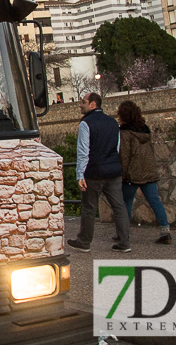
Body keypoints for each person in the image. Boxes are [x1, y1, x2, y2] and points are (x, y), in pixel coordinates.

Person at [67, 93, 131, 253]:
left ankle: (84, 241)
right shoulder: (113, 123)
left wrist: (80, 174)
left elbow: (83, 151)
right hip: (113, 170)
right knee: (119, 206)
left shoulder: (86, 123)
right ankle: (124, 242)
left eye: (83, 102)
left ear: (93, 104)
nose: (80, 105)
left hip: (94, 172)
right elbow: (116, 147)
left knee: (89, 207)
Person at [117, 100, 171, 245]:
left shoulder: (125, 133)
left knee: (126, 202)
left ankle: (124, 233)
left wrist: (123, 172)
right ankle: (165, 230)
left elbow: (124, 155)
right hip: (148, 171)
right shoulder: (145, 130)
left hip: (132, 173)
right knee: (155, 201)